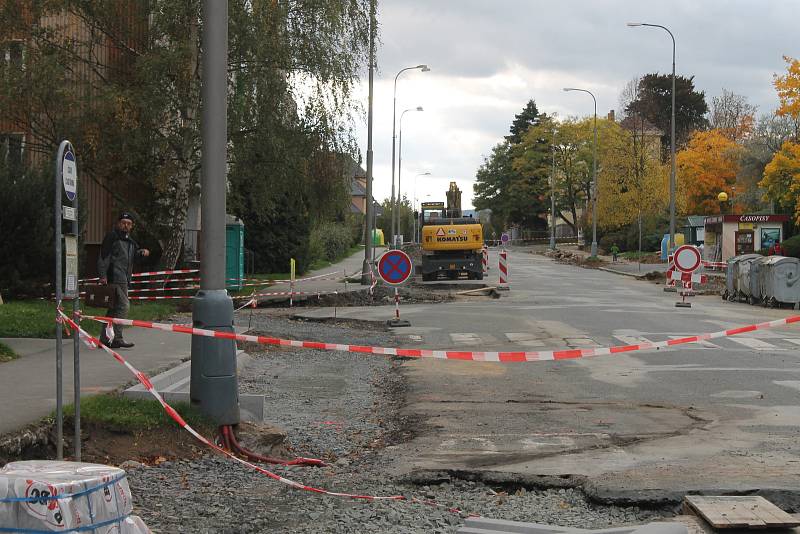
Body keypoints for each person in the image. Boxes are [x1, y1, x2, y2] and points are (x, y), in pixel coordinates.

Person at [97, 212, 149, 348]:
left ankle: (105, 339)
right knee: (124, 306)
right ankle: (117, 338)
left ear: (132, 226)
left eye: (129, 223)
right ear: (118, 223)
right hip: (115, 277)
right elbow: (104, 257)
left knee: (113, 309)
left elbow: (133, 259)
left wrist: (142, 253)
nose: (126, 225)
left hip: (125, 278)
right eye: (123, 222)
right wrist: (103, 276)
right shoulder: (112, 237)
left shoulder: (130, 242)